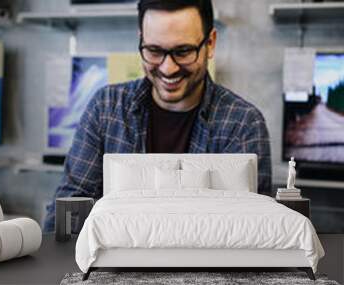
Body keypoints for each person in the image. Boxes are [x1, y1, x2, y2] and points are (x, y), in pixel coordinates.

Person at [44, 0, 272, 232]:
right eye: (154, 51)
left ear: (210, 43)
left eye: (183, 51)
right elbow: (66, 214)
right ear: (141, 40)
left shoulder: (243, 123)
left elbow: (250, 231)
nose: (168, 68)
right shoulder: (106, 108)